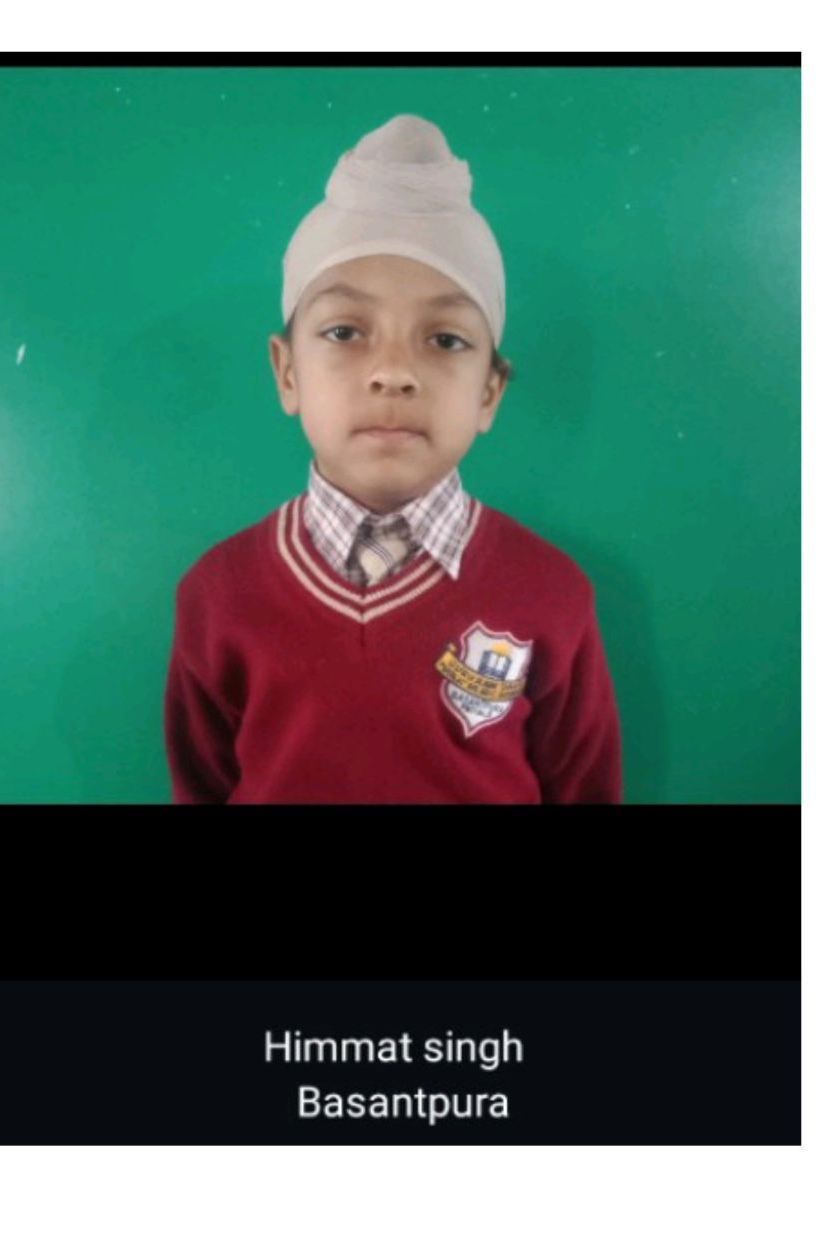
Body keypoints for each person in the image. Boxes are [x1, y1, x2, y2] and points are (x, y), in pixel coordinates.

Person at [163, 114, 622, 803]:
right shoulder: (218, 593)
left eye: (445, 340)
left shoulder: (551, 592)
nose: (393, 373)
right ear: (286, 372)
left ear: (489, 392)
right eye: (345, 331)